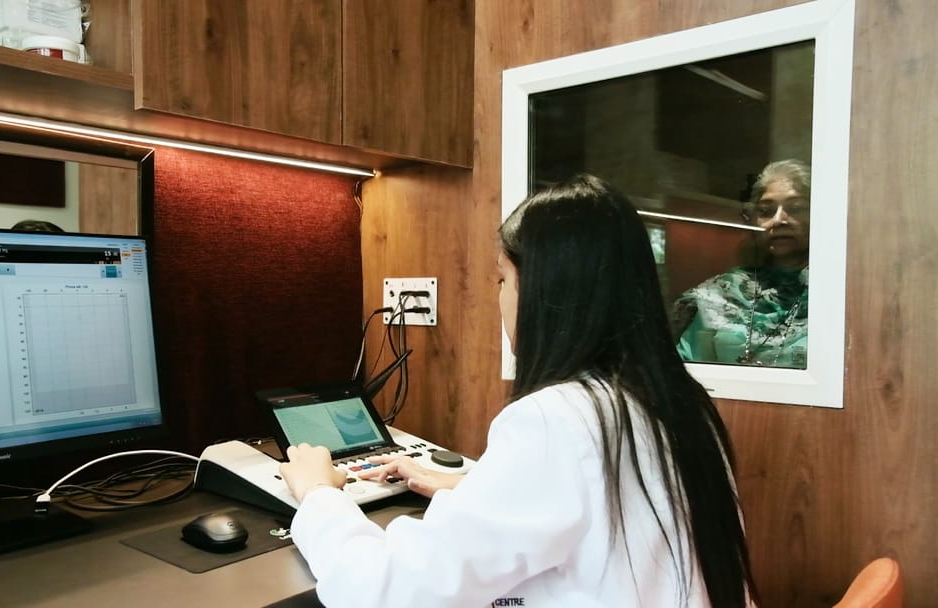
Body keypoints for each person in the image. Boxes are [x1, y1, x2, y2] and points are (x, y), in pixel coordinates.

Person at [279, 174, 758, 607]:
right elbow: (607, 508)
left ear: (545, 292)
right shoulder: (677, 401)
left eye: (502, 278)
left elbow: (389, 592)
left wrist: (319, 494)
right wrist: (471, 490)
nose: (500, 297)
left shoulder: (558, 419)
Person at [673, 159, 810, 367]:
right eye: (766, 211)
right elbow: (686, 367)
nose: (778, 220)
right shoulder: (722, 294)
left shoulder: (837, 297)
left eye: (796, 208)